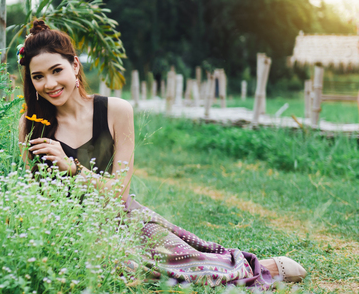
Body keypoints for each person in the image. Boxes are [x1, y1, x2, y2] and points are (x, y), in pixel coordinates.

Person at [18, 20, 307, 289]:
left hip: (122, 218)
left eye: (57, 70)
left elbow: (119, 193)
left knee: (179, 260)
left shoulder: (116, 111)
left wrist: (73, 168)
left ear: (75, 65)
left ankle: (261, 266)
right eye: (38, 77)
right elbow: (36, 199)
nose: (50, 84)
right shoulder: (30, 125)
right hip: (72, 230)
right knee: (123, 270)